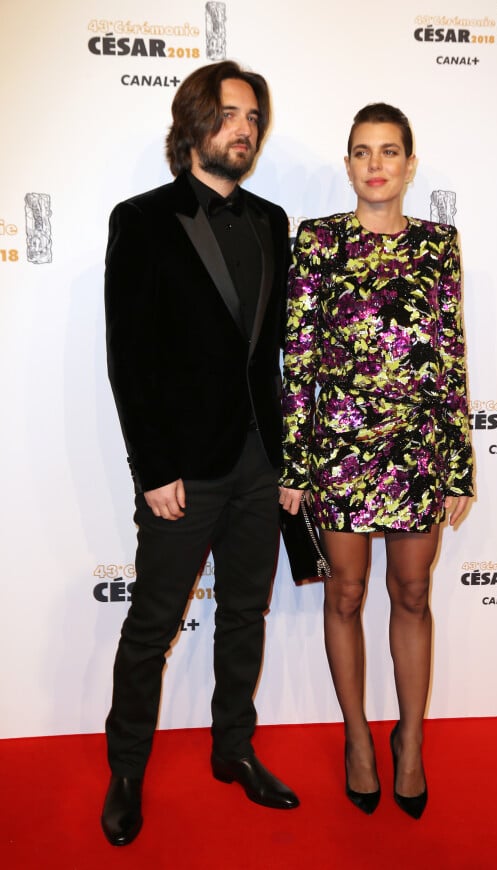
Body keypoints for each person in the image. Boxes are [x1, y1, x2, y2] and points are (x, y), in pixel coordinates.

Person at [102, 60, 299, 847]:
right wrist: (152, 470)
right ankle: (125, 772)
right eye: (227, 114)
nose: (243, 127)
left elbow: (273, 354)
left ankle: (234, 750)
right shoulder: (142, 218)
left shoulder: (272, 220)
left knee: (245, 614)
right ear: (192, 124)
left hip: (259, 460)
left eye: (253, 115)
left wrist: (289, 461)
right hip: (182, 469)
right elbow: (128, 355)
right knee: (152, 625)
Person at [279, 103, 473, 817]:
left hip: (418, 451)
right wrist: (295, 464)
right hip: (340, 449)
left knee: (413, 595)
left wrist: (458, 465)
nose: (376, 164)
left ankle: (411, 741)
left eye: (390, 151)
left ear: (410, 164)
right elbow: (297, 359)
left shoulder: (438, 246)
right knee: (346, 595)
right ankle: (358, 738)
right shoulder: (319, 241)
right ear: (349, 164)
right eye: (362, 152)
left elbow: (451, 359)